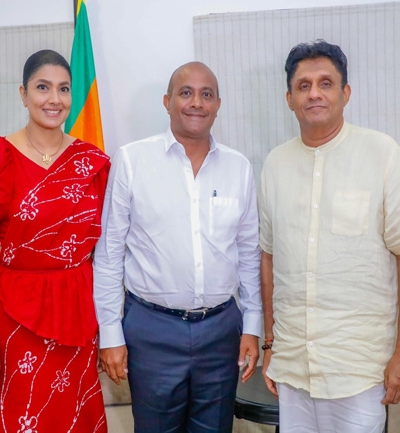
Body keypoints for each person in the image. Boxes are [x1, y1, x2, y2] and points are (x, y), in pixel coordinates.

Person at [259, 40, 400, 433]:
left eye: (326, 83)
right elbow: (269, 257)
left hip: (358, 367)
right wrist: (270, 344)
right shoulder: (275, 164)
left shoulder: (382, 154)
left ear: (345, 93)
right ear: (289, 99)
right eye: (303, 85)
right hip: (293, 365)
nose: (314, 93)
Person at [93, 61, 261, 433]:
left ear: (218, 104)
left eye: (206, 94)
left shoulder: (239, 168)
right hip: (151, 331)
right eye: (186, 93)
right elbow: (109, 255)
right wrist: (110, 333)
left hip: (221, 332)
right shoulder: (132, 160)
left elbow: (249, 253)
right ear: (168, 102)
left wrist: (252, 326)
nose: (196, 102)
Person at [0, 49, 109, 432]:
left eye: (63, 88)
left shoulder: (91, 162)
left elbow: (106, 255)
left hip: (77, 321)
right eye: (43, 87)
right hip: (13, 323)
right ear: (23, 94)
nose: (54, 99)